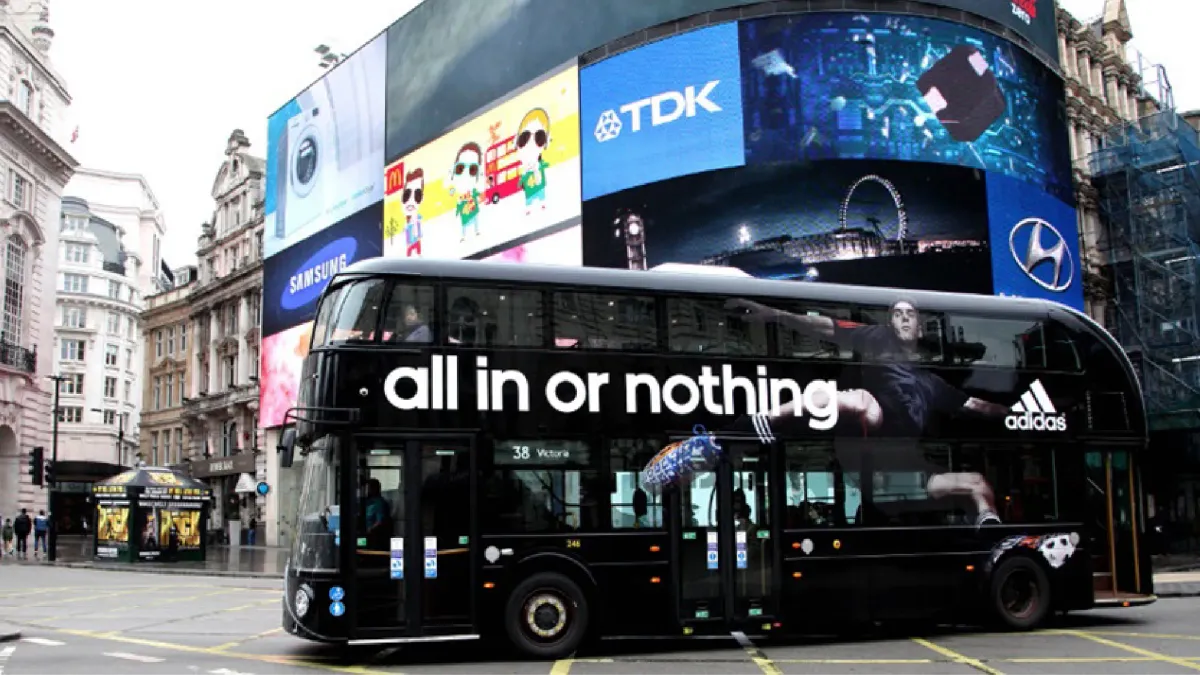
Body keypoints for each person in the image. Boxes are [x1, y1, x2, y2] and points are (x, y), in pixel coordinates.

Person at [727, 297, 1011, 526]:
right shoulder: (877, 337)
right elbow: (825, 327)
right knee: (861, 400)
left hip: (907, 478)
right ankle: (763, 421)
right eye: (897, 314)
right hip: (870, 458)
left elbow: (975, 406)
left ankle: (988, 530)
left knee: (977, 484)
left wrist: (1017, 413)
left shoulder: (932, 384)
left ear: (920, 329)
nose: (903, 318)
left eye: (909, 314)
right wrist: (775, 315)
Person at [362, 478, 391, 549]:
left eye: (369, 488)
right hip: (364, 535)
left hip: (373, 538)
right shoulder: (366, 502)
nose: (367, 490)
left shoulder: (379, 503)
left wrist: (369, 530)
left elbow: (380, 521)